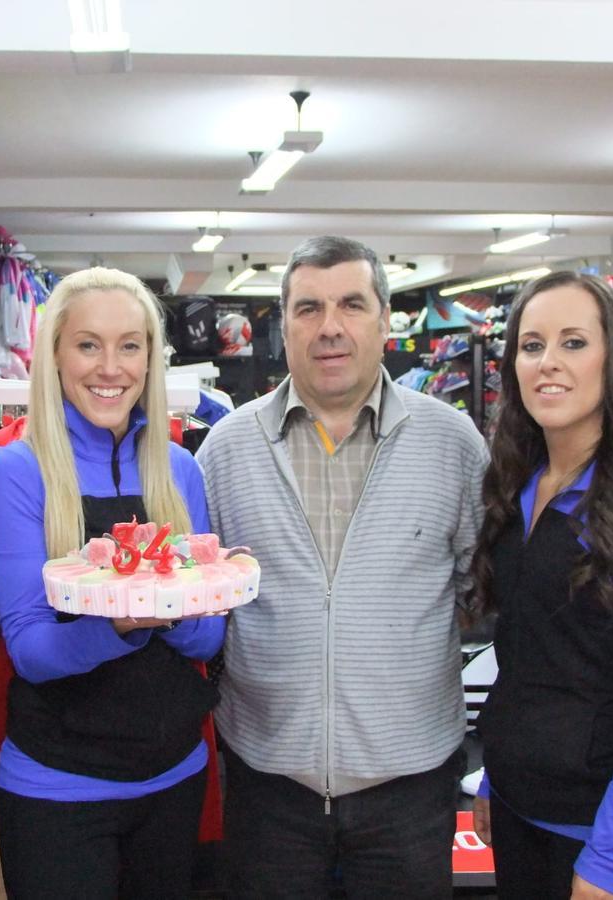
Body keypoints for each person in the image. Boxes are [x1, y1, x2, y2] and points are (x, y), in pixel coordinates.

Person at [196, 235, 489, 898]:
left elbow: (482, 589)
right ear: (283, 326)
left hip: (409, 788)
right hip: (269, 785)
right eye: (308, 309)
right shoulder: (226, 449)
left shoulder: (452, 443)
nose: (330, 327)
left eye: (351, 305)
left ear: (385, 322)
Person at [0, 266, 225, 898]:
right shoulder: (17, 472)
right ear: (55, 355)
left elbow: (207, 641)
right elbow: (31, 652)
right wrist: (124, 621)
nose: (109, 367)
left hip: (174, 778)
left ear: (151, 360)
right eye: (88, 344)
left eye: (130, 345)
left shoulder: (180, 469)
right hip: (59, 790)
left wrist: (162, 611)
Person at [467, 271, 613, 899]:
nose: (549, 363)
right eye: (531, 344)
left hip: (604, 838)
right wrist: (496, 777)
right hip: (521, 814)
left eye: (574, 343)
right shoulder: (517, 490)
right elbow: (526, 656)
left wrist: (612, 857)